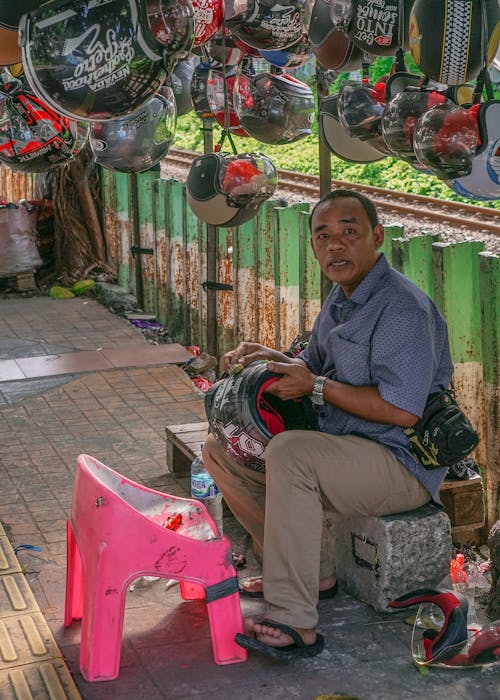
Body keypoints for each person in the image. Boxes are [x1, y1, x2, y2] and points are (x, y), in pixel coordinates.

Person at [202, 188, 454, 660]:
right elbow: (311, 364)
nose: (335, 246)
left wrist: (314, 388)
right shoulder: (342, 300)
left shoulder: (400, 307)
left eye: (349, 233)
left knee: (290, 454)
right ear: (315, 247)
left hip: (399, 461)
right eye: (324, 236)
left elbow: (403, 410)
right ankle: (312, 573)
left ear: (377, 237)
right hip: (345, 449)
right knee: (221, 450)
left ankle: (294, 620)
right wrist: (268, 356)